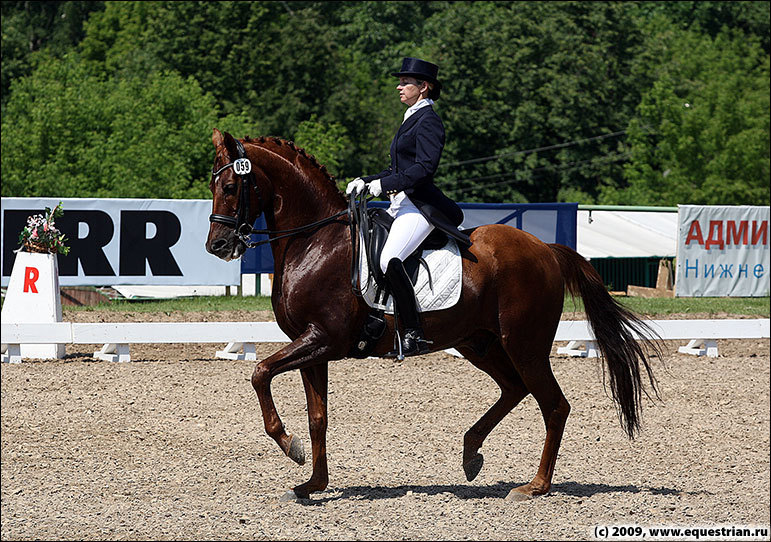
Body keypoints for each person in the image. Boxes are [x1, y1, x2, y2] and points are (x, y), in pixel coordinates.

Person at [346, 57, 471, 358]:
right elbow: (397, 168)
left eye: (405, 82)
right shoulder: (410, 116)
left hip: (420, 206)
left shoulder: (429, 120)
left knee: (390, 258)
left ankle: (414, 333)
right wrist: (368, 180)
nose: (399, 86)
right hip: (400, 203)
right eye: (400, 82)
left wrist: (385, 185)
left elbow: (424, 168)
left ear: (423, 87)